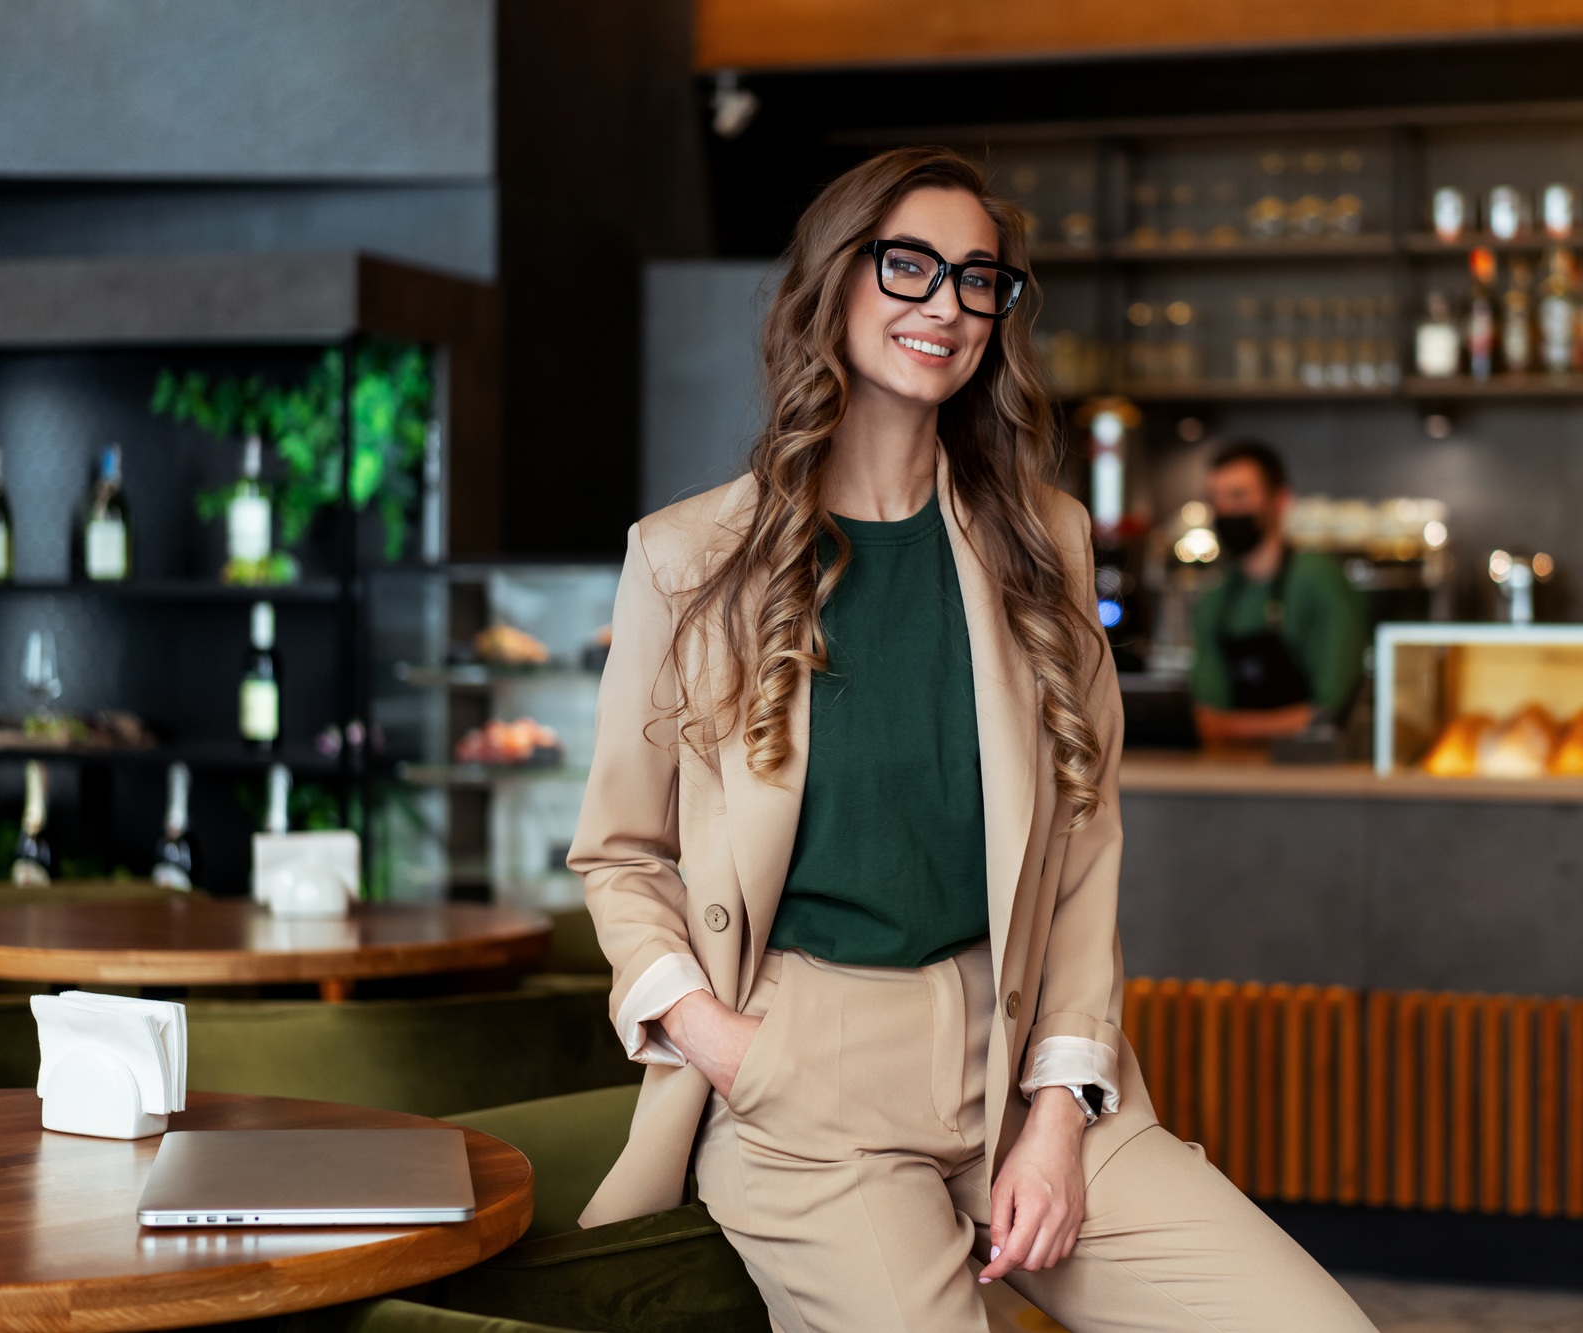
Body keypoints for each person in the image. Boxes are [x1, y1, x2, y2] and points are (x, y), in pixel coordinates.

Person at [568, 146, 1377, 1333]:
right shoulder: (689, 560)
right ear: (835, 282)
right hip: (807, 1076)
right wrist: (723, 1042)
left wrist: (1056, 1110)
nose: (943, 304)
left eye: (976, 278)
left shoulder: (1044, 543)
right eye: (908, 267)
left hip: (1019, 1063)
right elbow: (620, 849)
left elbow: (1086, 849)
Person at [1189, 441, 1366, 747]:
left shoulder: (1319, 581)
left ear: (1280, 501)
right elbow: (1207, 711)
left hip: (1319, 771)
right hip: (1235, 771)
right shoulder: (1218, 594)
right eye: (1215, 500)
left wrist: (1229, 727)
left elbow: (1327, 712)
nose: (1225, 510)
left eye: (1238, 496)